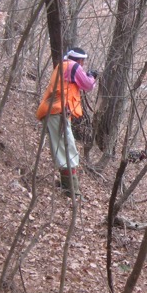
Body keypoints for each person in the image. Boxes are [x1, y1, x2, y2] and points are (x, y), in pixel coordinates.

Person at [36, 47, 98, 192]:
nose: (82, 65)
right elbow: (88, 85)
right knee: (67, 149)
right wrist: (92, 76)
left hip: (55, 112)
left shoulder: (63, 66)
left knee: (63, 148)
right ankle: (72, 190)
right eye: (83, 62)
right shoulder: (72, 66)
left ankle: (68, 186)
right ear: (80, 60)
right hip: (58, 112)